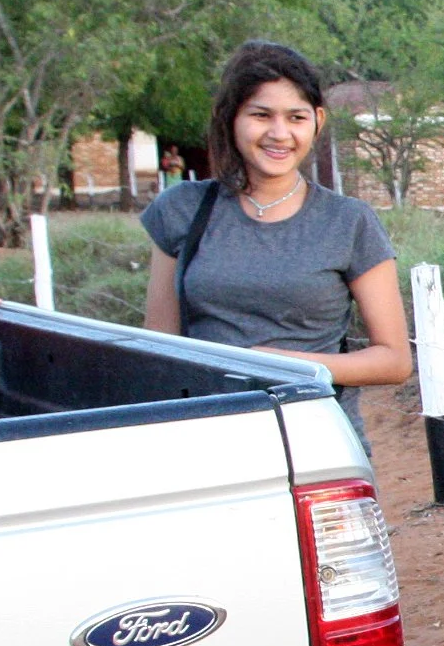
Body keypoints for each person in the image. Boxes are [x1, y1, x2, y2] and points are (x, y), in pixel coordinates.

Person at [135, 41, 411, 448]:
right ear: (231, 117)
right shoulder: (182, 209)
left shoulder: (349, 221)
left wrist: (290, 366)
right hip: (205, 439)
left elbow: (394, 360)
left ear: (317, 121)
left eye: (296, 117)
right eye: (261, 115)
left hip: (315, 442)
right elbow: (159, 346)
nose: (280, 134)